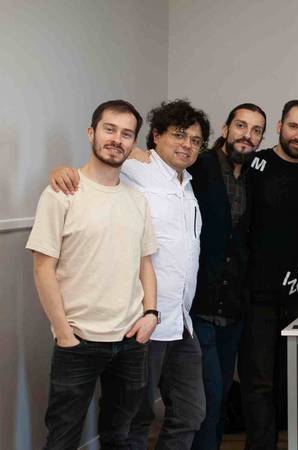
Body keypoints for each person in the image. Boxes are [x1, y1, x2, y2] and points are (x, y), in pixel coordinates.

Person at [48, 99, 211, 449]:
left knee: (191, 413)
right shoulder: (139, 169)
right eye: (179, 135)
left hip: (180, 321)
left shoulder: (189, 185)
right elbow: (105, 158)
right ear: (156, 136)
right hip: (141, 322)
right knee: (134, 420)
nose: (187, 144)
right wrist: (61, 170)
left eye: (195, 140)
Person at [28, 100, 159, 449]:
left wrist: (150, 314)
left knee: (119, 435)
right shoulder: (61, 194)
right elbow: (43, 267)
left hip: (131, 341)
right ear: (92, 132)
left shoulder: (137, 201)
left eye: (127, 134)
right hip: (78, 341)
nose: (117, 139)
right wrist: (63, 331)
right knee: (62, 439)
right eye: (109, 129)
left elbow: (145, 263)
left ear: (134, 144)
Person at [240, 99, 298, 450]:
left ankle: (285, 441)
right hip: (254, 293)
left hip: (294, 293)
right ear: (279, 126)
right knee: (258, 380)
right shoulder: (255, 163)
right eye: (293, 126)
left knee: (285, 378)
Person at [189, 103, 267, 450]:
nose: (246, 135)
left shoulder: (255, 177)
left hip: (233, 308)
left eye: (255, 130)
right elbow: (149, 164)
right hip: (197, 303)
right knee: (206, 395)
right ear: (225, 129)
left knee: (218, 399)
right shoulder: (198, 165)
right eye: (241, 126)